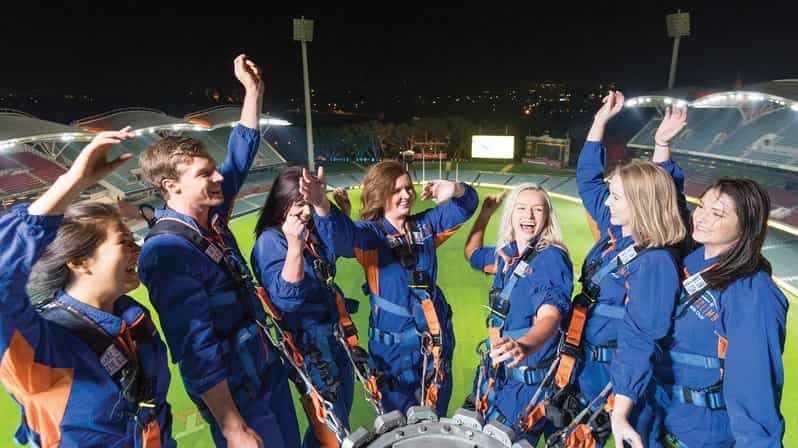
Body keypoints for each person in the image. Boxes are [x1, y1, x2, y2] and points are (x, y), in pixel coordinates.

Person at [137, 55, 300, 448]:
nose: (218, 177)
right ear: (171, 185)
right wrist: (233, 427)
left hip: (264, 370)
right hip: (239, 395)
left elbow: (240, 155)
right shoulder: (167, 253)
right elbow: (195, 350)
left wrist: (253, 92)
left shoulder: (211, 216)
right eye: (204, 174)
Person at [610, 112, 788, 448]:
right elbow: (664, 199)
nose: (702, 217)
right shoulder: (687, 257)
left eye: (717, 213)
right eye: (702, 206)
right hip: (654, 422)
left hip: (702, 436)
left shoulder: (752, 292)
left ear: (747, 227)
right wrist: (662, 144)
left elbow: (754, 391)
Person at [0, 128, 175, 447]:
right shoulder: (44, 347)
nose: (137, 248)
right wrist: (71, 183)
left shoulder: (133, 321)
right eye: (124, 242)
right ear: (80, 262)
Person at [557, 91, 685, 446]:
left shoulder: (655, 262)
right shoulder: (615, 232)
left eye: (615, 196)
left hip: (622, 379)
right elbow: (588, 180)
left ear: (640, 204)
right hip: (587, 370)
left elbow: (641, 337)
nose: (606, 201)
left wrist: (622, 407)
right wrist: (600, 121)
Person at [307, 160, 479, 415]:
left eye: (408, 188)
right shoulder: (370, 235)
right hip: (394, 355)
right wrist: (321, 204)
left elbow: (467, 206)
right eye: (396, 190)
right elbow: (340, 237)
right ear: (380, 194)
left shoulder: (425, 225)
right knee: (400, 425)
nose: (406, 195)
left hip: (434, 347)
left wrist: (455, 189)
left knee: (436, 421)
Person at [251, 167, 362, 447]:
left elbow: (333, 257)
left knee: (335, 422)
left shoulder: (309, 231)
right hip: (309, 347)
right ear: (283, 202)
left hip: (333, 337)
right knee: (333, 430)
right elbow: (287, 299)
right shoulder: (270, 242)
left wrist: (341, 212)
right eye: (300, 204)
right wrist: (294, 247)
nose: (307, 212)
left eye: (309, 203)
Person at [463, 185, 573, 445]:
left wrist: (525, 345)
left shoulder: (550, 258)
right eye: (521, 208)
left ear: (547, 217)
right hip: (497, 377)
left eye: (537, 209)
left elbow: (550, 315)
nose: (529, 216)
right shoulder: (508, 253)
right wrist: (485, 214)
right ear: (510, 214)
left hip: (525, 385)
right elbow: (472, 254)